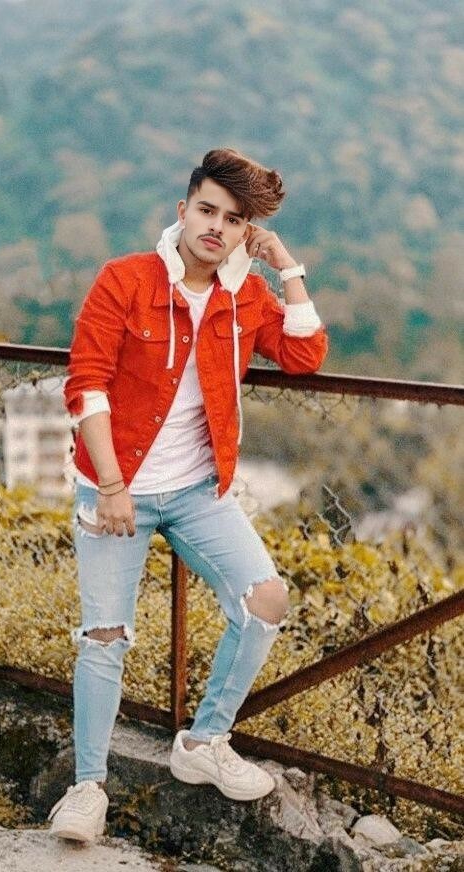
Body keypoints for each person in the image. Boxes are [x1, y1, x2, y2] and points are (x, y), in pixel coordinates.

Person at [48, 148, 328, 843]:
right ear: (183, 210)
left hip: (199, 490)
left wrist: (285, 266)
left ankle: (203, 742)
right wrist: (112, 484)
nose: (216, 228)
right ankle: (87, 788)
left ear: (244, 233)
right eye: (207, 211)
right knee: (104, 637)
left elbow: (304, 355)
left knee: (266, 600)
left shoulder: (245, 297)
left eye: (233, 221)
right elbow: (86, 384)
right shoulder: (125, 279)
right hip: (116, 488)